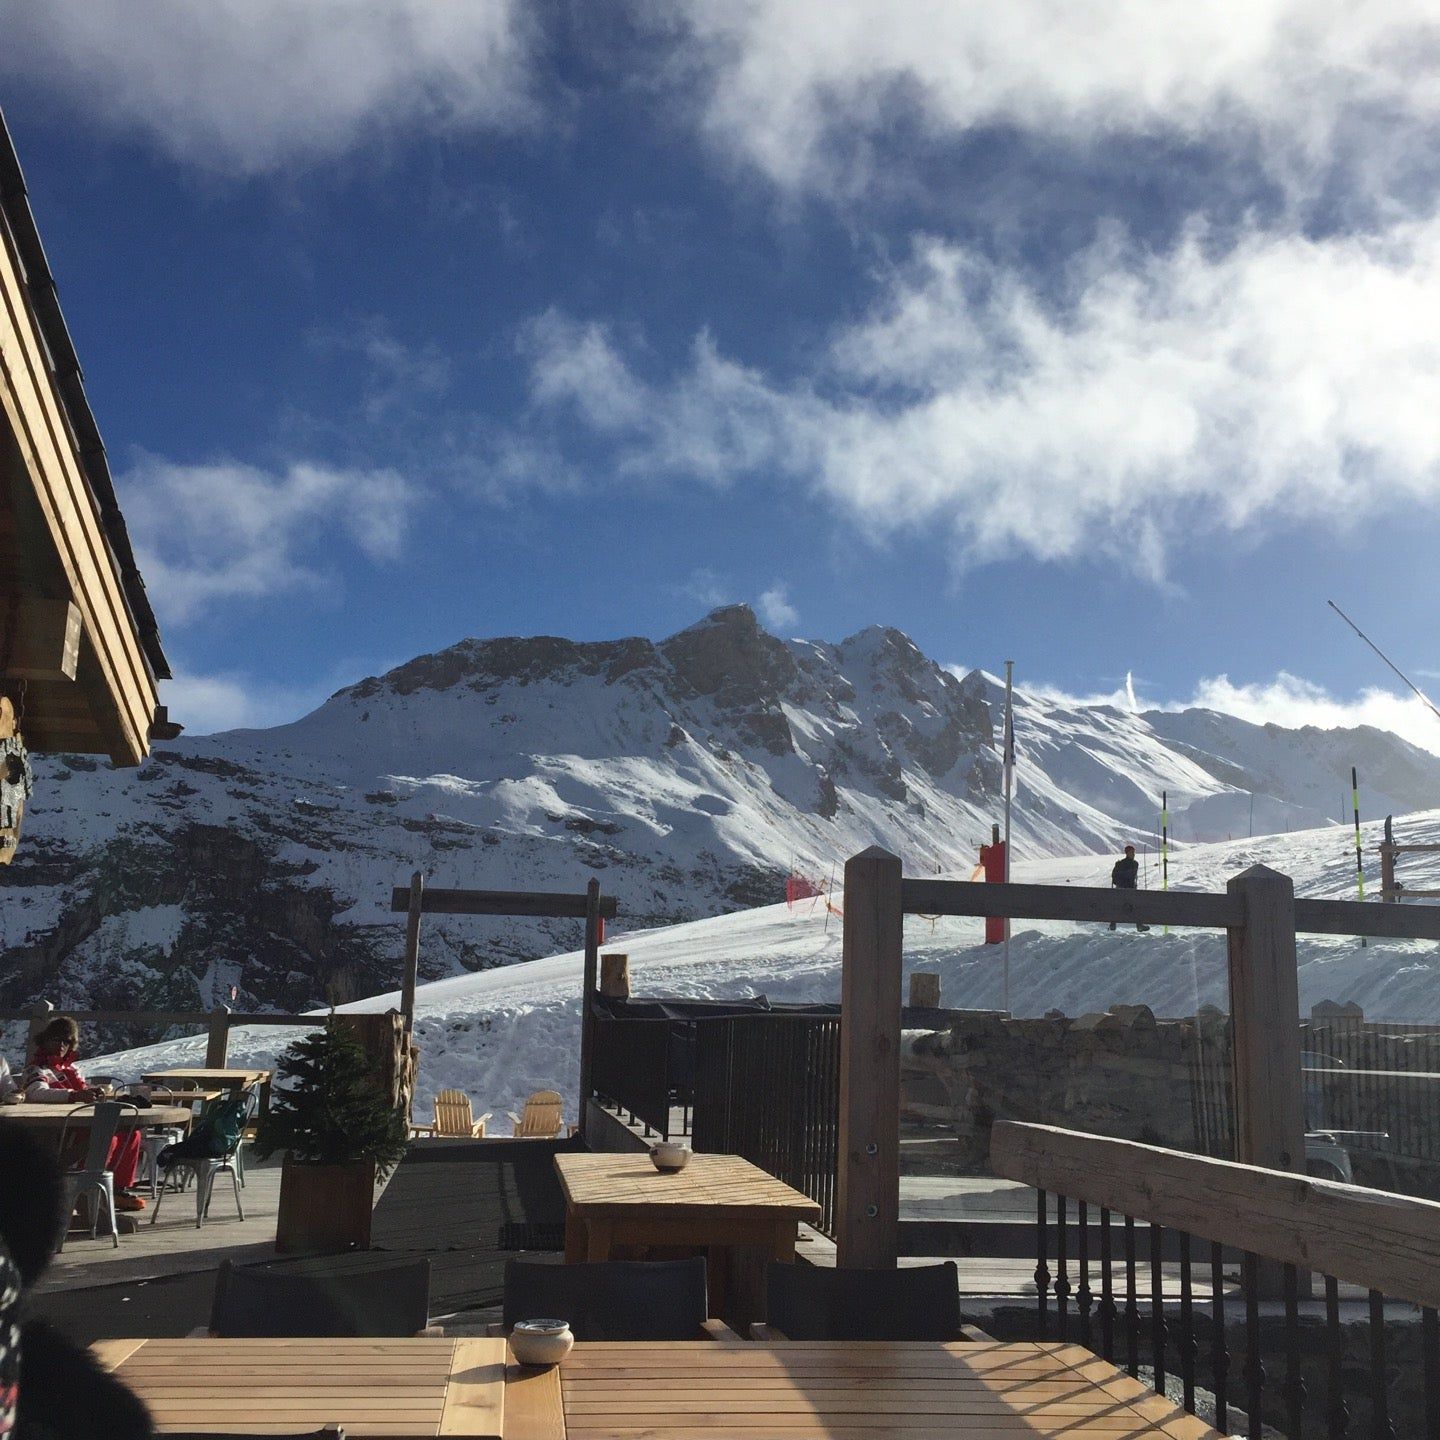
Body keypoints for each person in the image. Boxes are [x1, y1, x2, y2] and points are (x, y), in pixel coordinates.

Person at [20, 1018, 146, 1212]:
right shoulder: (36, 1069)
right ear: (45, 1041)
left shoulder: (71, 1070)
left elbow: (82, 1089)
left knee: (130, 1134)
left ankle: (117, 1189)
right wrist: (73, 1096)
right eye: (56, 1039)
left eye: (67, 1041)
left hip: (84, 1125)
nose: (61, 1045)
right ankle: (87, 1189)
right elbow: (36, 1093)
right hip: (58, 1133)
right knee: (106, 1140)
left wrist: (92, 1092)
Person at [1108, 844, 1150, 932]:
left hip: (1122, 888)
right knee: (1135, 906)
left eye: (1134, 852)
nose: (1133, 854)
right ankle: (1139, 925)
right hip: (1129, 888)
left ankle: (1113, 924)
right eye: (1132, 852)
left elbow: (1114, 876)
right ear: (1127, 853)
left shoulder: (1120, 864)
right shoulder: (1134, 864)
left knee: (1118, 906)